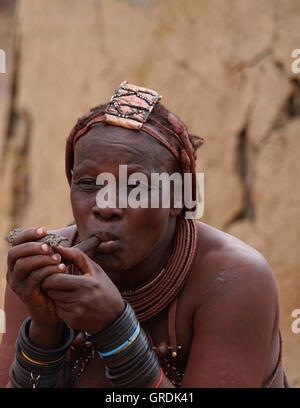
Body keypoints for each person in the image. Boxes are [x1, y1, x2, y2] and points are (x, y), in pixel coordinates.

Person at [0, 82, 290, 388]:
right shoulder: (42, 273)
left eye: (134, 187)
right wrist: (43, 332)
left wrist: (116, 330)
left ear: (179, 197)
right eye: (88, 183)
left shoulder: (234, 277)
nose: (106, 205)